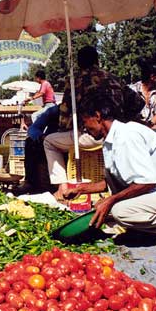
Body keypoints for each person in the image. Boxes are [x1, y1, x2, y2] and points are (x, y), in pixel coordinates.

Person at [64, 95, 156, 249]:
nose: (84, 128)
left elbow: (147, 182)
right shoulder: (111, 139)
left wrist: (111, 200)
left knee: (119, 212)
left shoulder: (126, 136)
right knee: (106, 205)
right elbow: (116, 180)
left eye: (85, 122)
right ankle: (135, 227)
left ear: (97, 116)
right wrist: (81, 189)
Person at [43, 46, 144, 200]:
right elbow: (138, 103)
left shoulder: (75, 81)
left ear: (78, 63)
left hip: (91, 136)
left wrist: (64, 131)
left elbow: (65, 113)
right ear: (97, 60)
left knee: (49, 142)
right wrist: (123, 120)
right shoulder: (114, 78)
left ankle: (62, 188)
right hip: (117, 133)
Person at [130, 61, 156, 128]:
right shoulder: (132, 90)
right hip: (134, 127)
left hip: (152, 126)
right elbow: (129, 115)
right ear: (153, 77)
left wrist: (149, 125)